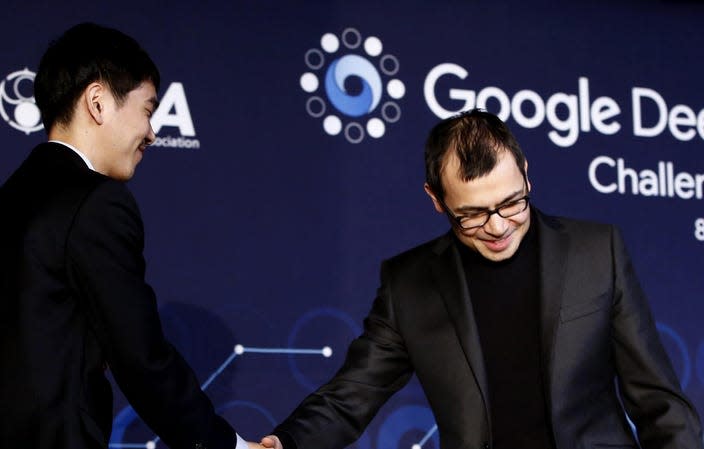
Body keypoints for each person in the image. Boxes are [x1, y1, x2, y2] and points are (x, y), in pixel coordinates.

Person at [261, 109, 703, 449]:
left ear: (526, 173)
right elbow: (352, 394)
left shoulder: (596, 251)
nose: (497, 226)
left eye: (512, 202)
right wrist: (289, 442)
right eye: (472, 215)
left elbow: (657, 398)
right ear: (436, 199)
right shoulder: (409, 284)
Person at [0, 23, 259, 449]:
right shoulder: (96, 204)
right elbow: (141, 359)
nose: (151, 132)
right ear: (97, 102)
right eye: (147, 110)